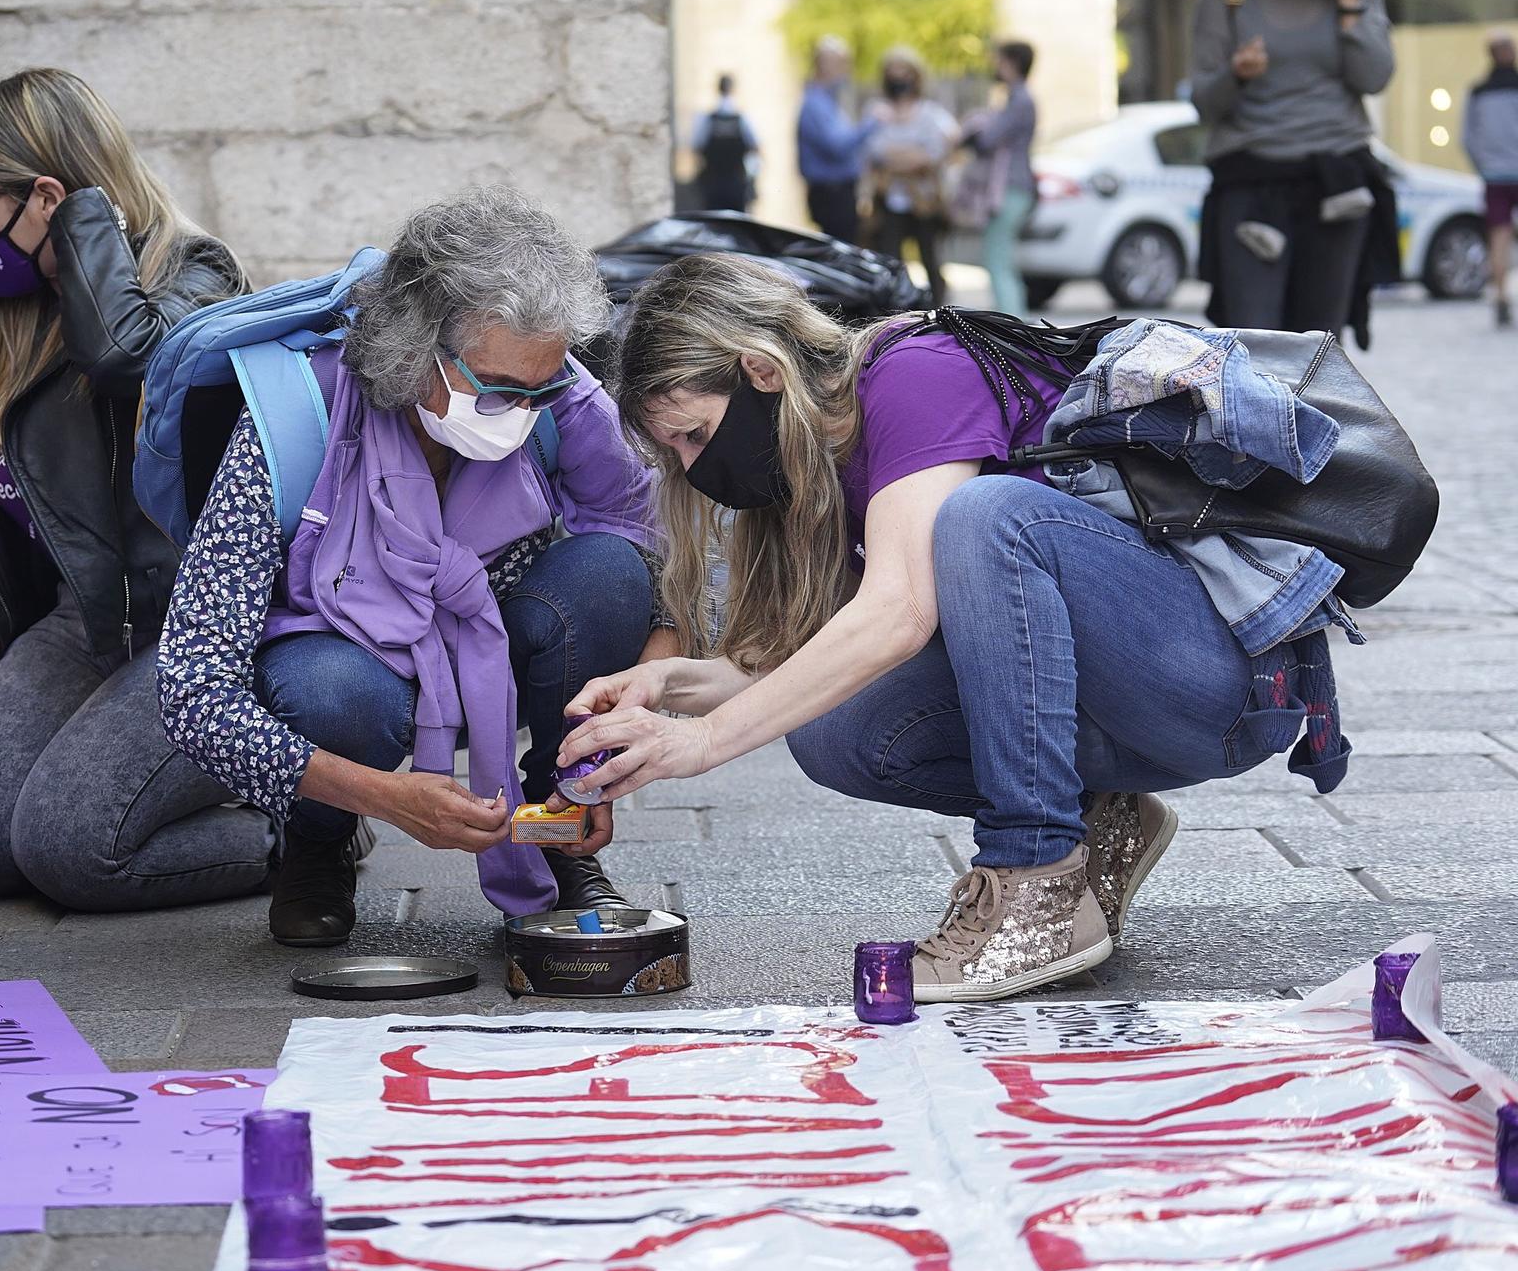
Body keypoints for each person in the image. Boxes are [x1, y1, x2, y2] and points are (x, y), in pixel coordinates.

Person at [562, 255, 1346, 1002]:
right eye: (675, 452)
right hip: (1132, 694)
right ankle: (1104, 816)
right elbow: (828, 657)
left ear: (760, 371)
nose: (697, 467)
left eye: (695, 433)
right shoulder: (824, 450)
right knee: (839, 732)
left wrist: (702, 745)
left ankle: (1034, 879)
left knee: (986, 519)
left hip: (1226, 684)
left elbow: (897, 616)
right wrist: (668, 688)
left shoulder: (915, 371)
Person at [158, 187, 671, 947]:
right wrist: (384, 798)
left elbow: (668, 547)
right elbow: (191, 688)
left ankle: (556, 830)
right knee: (329, 694)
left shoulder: (549, 384)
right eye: (496, 389)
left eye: (542, 389)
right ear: (414, 351)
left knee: (611, 575)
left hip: (500, 638)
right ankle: (320, 837)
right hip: (350, 659)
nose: (522, 411)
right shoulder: (294, 417)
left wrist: (620, 740)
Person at [0, 69, 254, 912]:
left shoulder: (198, 278)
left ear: (47, 197)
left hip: (203, 627)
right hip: (89, 621)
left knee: (70, 848)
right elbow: (30, 496)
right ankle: (108, 785)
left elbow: (129, 358)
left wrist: (87, 219)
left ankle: (306, 827)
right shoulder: (31, 310)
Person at [1190, 0, 1396, 338]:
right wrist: (1236, 73)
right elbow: (1204, 101)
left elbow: (1375, 76)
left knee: (1319, 344)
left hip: (1337, 186)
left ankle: (1309, 401)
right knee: (1254, 340)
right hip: (1253, 183)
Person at [862, 47, 960, 307]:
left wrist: (902, 158)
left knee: (930, 259)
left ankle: (942, 311)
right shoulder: (877, 111)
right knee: (889, 260)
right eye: (892, 72)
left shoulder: (929, 112)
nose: (898, 78)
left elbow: (938, 151)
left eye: (903, 72)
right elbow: (875, 149)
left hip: (923, 201)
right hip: (889, 199)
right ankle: (893, 315)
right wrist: (911, 156)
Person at [961, 42, 1039, 318]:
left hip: (1011, 189)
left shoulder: (1020, 101)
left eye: (1000, 60)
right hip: (1013, 189)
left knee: (997, 259)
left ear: (1012, 63)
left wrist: (972, 129)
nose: (995, 66)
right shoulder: (1014, 99)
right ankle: (1015, 320)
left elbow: (987, 139)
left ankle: (1014, 323)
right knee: (1001, 258)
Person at [1463, 32, 1518, 329]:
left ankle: (1501, 297)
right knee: (1500, 238)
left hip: (1494, 175)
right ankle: (1501, 297)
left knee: (1499, 237)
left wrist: (1483, 164)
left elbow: (1466, 137)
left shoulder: (1478, 92)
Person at [797, 36, 872, 244]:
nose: (846, 70)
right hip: (832, 195)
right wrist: (872, 123)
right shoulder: (816, 104)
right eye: (842, 63)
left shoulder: (829, 102)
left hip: (839, 192)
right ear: (825, 65)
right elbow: (838, 147)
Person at [691, 74, 760, 213]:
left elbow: (696, 147)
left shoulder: (706, 119)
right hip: (736, 182)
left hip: (713, 182)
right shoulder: (742, 118)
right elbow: (755, 147)